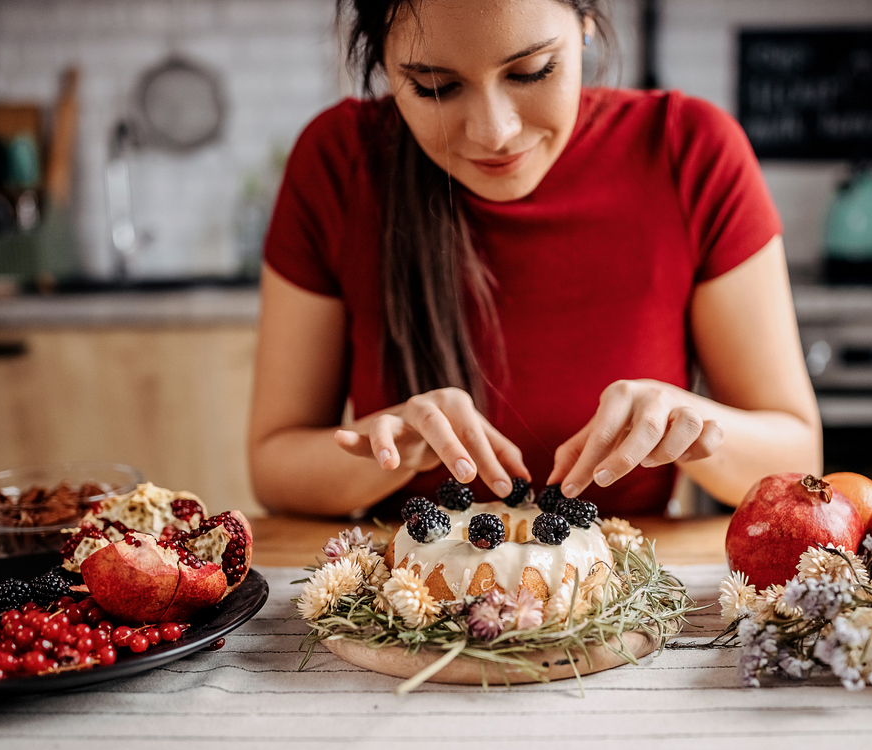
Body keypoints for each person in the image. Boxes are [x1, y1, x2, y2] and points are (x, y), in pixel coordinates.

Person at [249, 0, 822, 519]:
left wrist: (689, 425)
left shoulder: (691, 150)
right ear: (385, 67)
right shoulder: (336, 164)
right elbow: (274, 467)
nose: (494, 132)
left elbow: (798, 455)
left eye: (531, 72)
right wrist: (384, 449)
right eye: (434, 87)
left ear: (586, 24)